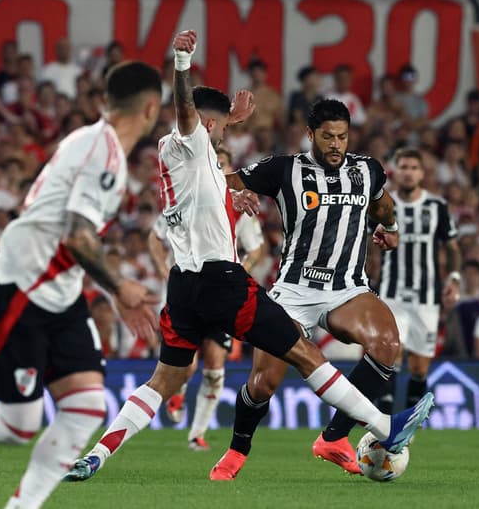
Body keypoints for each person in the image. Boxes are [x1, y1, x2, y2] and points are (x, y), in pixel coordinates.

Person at [64, 29, 433, 484]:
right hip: (223, 281)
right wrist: (181, 63)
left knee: (164, 380)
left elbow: (210, 170)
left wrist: (229, 187)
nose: (218, 129)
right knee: (304, 355)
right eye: (217, 123)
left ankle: (97, 454)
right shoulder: (193, 138)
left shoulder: (178, 156)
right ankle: (383, 425)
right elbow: (189, 117)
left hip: (183, 286)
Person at [0, 61, 164, 509]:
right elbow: (77, 235)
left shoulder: (89, 141)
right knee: (17, 425)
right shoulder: (106, 155)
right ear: (151, 108)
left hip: (59, 293)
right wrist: (120, 287)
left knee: (86, 407)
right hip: (23, 290)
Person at [217, 98, 408, 478]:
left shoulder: (367, 170)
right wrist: (233, 195)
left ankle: (334, 437)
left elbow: (382, 205)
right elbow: (226, 183)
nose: (336, 144)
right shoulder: (284, 169)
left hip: (347, 288)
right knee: (263, 382)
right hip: (294, 290)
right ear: (310, 135)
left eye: (342, 136)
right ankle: (237, 451)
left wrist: (390, 229)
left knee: (387, 345)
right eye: (327, 137)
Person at [155, 147, 265, 451]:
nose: (218, 169)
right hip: (188, 288)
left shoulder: (238, 205)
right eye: (213, 163)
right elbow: (156, 235)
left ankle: (196, 434)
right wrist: (163, 267)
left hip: (222, 291)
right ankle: (176, 391)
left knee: (215, 368)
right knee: (185, 366)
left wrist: (243, 267)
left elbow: (256, 248)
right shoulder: (186, 196)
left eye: (223, 165)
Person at [376, 148, 460, 413]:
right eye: (404, 167)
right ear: (395, 171)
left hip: (427, 297)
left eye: (414, 167)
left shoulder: (436, 206)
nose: (408, 172)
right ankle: (385, 423)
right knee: (391, 355)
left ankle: (411, 424)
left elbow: (453, 247)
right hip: (392, 293)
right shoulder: (383, 205)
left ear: (422, 173)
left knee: (419, 367)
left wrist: (454, 279)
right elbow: (367, 244)